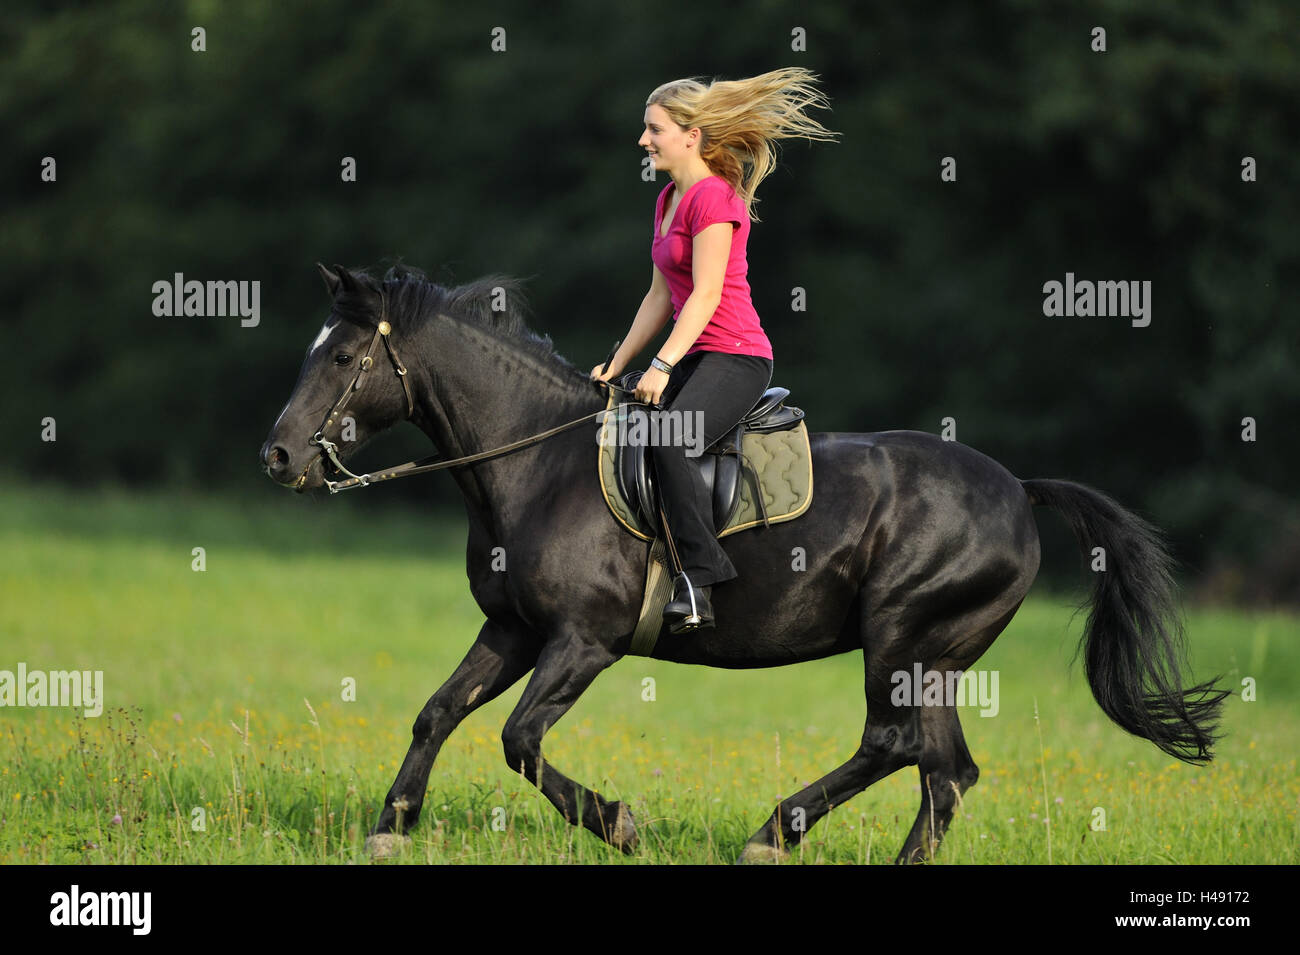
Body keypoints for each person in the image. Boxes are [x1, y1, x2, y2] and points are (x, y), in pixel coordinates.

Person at [590, 68, 837, 633]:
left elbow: (703, 294)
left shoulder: (713, 198)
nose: (643, 140)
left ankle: (699, 580)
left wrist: (661, 365)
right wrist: (618, 365)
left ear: (690, 135)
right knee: (622, 427)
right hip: (692, 354)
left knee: (671, 440)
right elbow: (659, 297)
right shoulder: (668, 200)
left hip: (735, 355)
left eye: (653, 129)